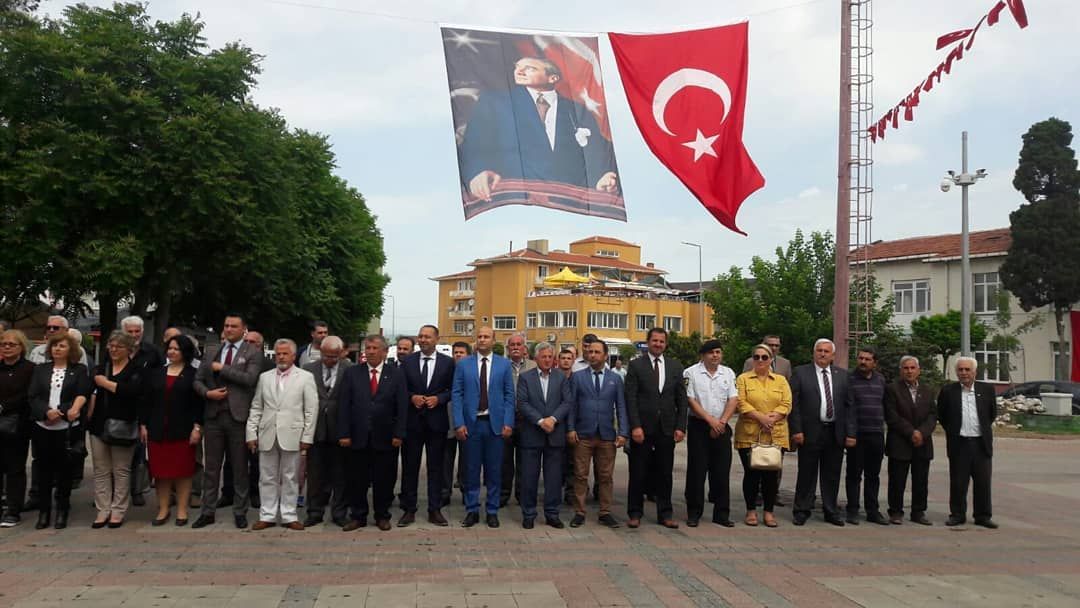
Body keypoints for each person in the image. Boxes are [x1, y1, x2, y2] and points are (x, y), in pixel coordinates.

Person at [459, 56, 619, 200]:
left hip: (569, 203)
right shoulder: (495, 102)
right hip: (513, 199)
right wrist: (476, 172)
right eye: (517, 66)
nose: (519, 71)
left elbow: (596, 148)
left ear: (552, 77)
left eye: (530, 68)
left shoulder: (576, 110)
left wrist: (603, 175)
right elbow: (473, 143)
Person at [192, 313, 263, 530]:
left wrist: (223, 369)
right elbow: (198, 380)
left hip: (238, 416)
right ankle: (208, 511)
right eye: (226, 325)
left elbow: (250, 379)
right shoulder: (213, 350)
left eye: (234, 326)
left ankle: (240, 511)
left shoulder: (252, 352)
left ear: (244, 329)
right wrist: (207, 393)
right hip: (214, 415)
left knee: (240, 467)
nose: (229, 329)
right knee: (211, 468)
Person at [246, 339, 317, 530]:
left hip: (293, 433)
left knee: (291, 477)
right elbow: (256, 407)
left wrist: (307, 437)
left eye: (285, 353)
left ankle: (289, 515)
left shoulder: (305, 377)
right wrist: (251, 433)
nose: (281, 357)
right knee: (267, 477)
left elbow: (311, 410)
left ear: (294, 356)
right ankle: (267, 514)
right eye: (278, 353)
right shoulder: (265, 377)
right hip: (267, 433)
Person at [338, 335, 407, 532]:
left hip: (386, 437)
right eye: (367, 348)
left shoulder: (396, 374)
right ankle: (358, 515)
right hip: (357, 436)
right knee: (356, 479)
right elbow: (344, 405)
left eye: (375, 348)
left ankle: (382, 515)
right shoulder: (352, 373)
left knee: (384, 479)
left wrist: (399, 434)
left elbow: (401, 407)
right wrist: (344, 433)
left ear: (385, 352)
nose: (370, 351)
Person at [624, 327, 687, 529]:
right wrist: (635, 426)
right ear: (648, 342)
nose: (658, 344)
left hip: (666, 428)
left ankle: (665, 513)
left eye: (661, 341)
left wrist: (680, 426)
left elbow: (681, 400)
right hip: (642, 428)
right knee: (638, 472)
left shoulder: (675, 366)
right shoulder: (635, 366)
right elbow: (630, 398)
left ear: (665, 344)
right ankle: (634, 513)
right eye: (655, 341)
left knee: (665, 473)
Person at [789, 339, 856, 526]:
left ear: (833, 355)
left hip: (835, 432)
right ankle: (802, 509)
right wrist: (797, 430)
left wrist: (851, 433)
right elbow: (794, 405)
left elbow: (850, 407)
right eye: (819, 350)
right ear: (814, 353)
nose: (823, 354)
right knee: (806, 473)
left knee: (832, 474)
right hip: (809, 432)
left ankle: (830, 510)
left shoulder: (843, 376)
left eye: (827, 351)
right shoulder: (801, 373)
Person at [452, 326, 514, 528]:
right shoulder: (464, 365)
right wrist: (459, 423)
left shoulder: (504, 365)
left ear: (494, 340)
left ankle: (492, 510)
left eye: (486, 336)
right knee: (470, 470)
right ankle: (472, 510)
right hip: (472, 425)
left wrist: (508, 422)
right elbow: (457, 394)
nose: (482, 339)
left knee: (494, 470)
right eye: (479, 336)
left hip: (494, 425)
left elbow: (509, 396)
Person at [27, 331, 90, 529]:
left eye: (62, 346)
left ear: (70, 350)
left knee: (65, 470)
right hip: (43, 426)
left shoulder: (79, 370)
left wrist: (61, 412)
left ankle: (62, 509)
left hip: (67, 428)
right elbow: (33, 396)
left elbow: (82, 393)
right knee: (43, 470)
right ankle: (44, 511)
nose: (57, 349)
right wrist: (46, 412)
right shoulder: (41, 370)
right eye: (54, 346)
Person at [565, 339, 627, 528]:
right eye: (590, 352)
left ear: (605, 355)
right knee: (580, 475)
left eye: (596, 352)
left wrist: (623, 432)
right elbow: (571, 405)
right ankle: (579, 512)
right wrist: (570, 428)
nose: (592, 355)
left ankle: (605, 512)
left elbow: (621, 407)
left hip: (607, 435)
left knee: (606, 476)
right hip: (583, 435)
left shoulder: (615, 378)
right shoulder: (577, 377)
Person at [142, 334, 202, 526]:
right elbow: (147, 401)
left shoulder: (193, 374)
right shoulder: (157, 373)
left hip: (183, 430)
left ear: (185, 352)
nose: (172, 352)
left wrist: (197, 428)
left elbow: (198, 405)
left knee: (183, 472)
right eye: (170, 348)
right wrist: (143, 425)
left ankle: (182, 510)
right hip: (158, 430)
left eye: (176, 349)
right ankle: (163, 508)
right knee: (160, 473)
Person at [87, 330, 145, 528]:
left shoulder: (137, 370)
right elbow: (90, 389)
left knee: (121, 470)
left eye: (118, 346)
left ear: (129, 349)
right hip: (98, 425)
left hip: (124, 425)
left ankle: (118, 510)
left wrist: (107, 384)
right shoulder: (100, 367)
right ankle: (102, 509)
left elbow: (133, 392)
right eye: (111, 345)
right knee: (101, 470)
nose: (113, 349)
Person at [399, 325, 455, 527]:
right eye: (420, 336)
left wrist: (439, 399)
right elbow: (400, 389)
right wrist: (411, 397)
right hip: (412, 423)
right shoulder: (408, 362)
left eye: (427, 337)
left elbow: (453, 389)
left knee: (436, 468)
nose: (422, 340)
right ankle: (409, 509)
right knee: (410, 467)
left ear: (436, 339)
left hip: (436, 422)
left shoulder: (448, 363)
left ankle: (434, 509)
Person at [735, 344, 791, 527]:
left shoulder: (781, 380)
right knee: (751, 474)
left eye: (764, 357)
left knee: (771, 476)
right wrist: (760, 417)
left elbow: (787, 403)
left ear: (771, 360)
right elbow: (741, 402)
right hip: (749, 434)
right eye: (756, 357)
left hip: (775, 434)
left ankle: (768, 512)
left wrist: (772, 418)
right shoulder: (743, 379)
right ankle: (751, 511)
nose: (760, 360)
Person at [684, 339, 739, 528]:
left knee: (722, 471)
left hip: (722, 425)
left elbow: (733, 399)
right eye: (711, 353)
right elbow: (690, 400)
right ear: (703, 355)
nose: (715, 355)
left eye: (718, 352)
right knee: (697, 472)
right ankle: (694, 513)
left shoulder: (728, 373)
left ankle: (721, 514)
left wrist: (722, 421)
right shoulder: (691, 373)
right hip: (700, 425)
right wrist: (710, 420)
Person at [938, 356, 997, 528]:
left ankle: (983, 516)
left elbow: (991, 414)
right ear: (956, 372)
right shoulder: (948, 391)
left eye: (967, 369)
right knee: (958, 482)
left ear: (975, 372)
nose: (964, 373)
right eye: (960, 370)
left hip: (981, 444)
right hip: (959, 443)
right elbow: (942, 415)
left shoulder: (986, 390)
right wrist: (953, 430)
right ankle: (957, 514)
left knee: (983, 482)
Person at [516, 342, 570, 529]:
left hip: (555, 434)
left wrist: (553, 419)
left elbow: (566, 402)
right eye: (543, 356)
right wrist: (540, 421)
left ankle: (552, 513)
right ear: (536, 358)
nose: (547, 360)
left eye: (550, 357)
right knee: (529, 477)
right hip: (532, 433)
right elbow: (522, 403)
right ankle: (529, 513)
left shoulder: (561, 378)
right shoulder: (525, 378)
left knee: (554, 478)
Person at [302, 336, 352, 527]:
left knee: (340, 474)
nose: (330, 360)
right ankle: (314, 512)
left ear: (340, 353)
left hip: (340, 430)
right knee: (315, 474)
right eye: (326, 355)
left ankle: (339, 513)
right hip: (316, 429)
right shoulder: (308, 370)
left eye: (334, 356)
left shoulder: (349, 369)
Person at [883, 356, 935, 526]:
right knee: (897, 480)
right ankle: (896, 511)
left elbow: (932, 416)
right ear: (901, 371)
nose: (909, 371)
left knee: (921, 480)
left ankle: (918, 512)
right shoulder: (892, 389)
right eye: (906, 368)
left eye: (913, 368)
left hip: (922, 443)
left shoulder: (928, 390)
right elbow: (891, 415)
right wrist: (911, 432)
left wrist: (922, 432)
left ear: (918, 370)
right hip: (900, 441)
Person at [120, 315, 162, 507]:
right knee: (117, 452)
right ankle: (114, 493)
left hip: (144, 407)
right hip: (118, 406)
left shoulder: (152, 352)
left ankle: (137, 490)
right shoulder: (115, 349)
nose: (134, 335)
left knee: (139, 452)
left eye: (137, 331)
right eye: (130, 331)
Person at [844, 347, 889, 526]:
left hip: (876, 433)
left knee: (873, 475)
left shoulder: (880, 380)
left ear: (874, 363)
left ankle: (872, 510)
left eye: (868, 359)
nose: (863, 362)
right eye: (861, 358)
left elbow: (884, 404)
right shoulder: (849, 379)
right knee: (854, 474)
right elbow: (848, 408)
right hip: (857, 435)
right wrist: (850, 433)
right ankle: (852, 510)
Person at [0, 330, 35, 526]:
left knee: (14, 468)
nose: (6, 347)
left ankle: (13, 510)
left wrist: (4, 406)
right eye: (3, 344)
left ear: (21, 347)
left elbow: (28, 395)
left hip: (18, 426)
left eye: (11, 344)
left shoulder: (30, 369)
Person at [501, 332, 535, 507]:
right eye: (512, 345)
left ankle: (522, 495)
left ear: (524, 348)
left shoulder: (533, 367)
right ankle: (503, 494)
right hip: (506, 419)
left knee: (525, 460)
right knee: (504, 461)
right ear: (507, 349)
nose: (515, 347)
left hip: (527, 421)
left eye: (518, 344)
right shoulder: (500, 366)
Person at [440, 341, 471, 508]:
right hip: (448, 420)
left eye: (461, 352)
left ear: (468, 355)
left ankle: (466, 491)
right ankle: (445, 492)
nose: (458, 355)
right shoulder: (446, 370)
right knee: (446, 459)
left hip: (467, 422)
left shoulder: (472, 371)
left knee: (466, 459)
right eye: (456, 352)